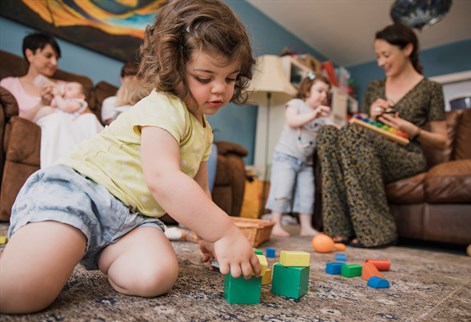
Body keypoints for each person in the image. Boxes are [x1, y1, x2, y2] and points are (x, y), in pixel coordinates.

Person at [0, 0, 260, 314]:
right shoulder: (164, 107)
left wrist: (207, 234)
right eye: (205, 78)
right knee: (19, 294)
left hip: (129, 220)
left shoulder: (204, 131)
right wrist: (224, 231)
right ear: (174, 68)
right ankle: (53, 237)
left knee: (155, 275)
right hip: (80, 194)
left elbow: (199, 190)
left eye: (230, 79)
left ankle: (93, 248)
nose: (220, 89)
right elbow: (163, 179)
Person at [316, 23, 447, 248]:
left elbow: (442, 141)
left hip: (406, 153)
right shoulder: (375, 87)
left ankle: (377, 230)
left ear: (407, 49)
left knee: (353, 135)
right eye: (377, 56)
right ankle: (338, 229)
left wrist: (412, 129)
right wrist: (371, 115)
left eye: (386, 55)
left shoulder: (430, 89)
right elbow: (359, 130)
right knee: (328, 133)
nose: (380, 62)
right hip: (369, 149)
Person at [0, 31, 103, 168]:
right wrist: (42, 104)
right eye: (48, 56)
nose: (54, 63)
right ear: (30, 54)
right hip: (43, 126)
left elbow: (85, 113)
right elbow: (12, 122)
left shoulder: (65, 87)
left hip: (72, 132)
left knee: (89, 120)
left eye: (56, 58)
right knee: (51, 112)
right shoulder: (9, 84)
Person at [266, 72, 331, 238]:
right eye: (320, 91)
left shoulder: (322, 116)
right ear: (307, 90)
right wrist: (314, 114)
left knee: (307, 193)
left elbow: (328, 129)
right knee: (282, 189)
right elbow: (292, 121)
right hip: (286, 157)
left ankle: (306, 226)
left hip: (305, 162)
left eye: (326, 93)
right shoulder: (296, 104)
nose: (324, 95)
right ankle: (276, 223)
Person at [101, 61, 144, 125]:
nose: (134, 82)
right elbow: (114, 127)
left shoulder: (146, 103)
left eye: (138, 78)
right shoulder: (110, 102)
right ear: (121, 79)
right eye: (130, 78)